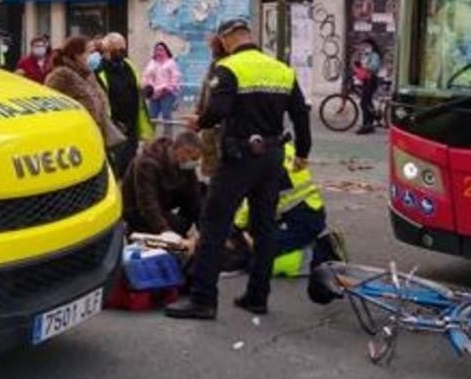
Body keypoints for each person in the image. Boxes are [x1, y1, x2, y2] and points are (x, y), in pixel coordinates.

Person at [166, 18, 312, 320]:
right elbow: (300, 114)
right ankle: (257, 297)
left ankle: (203, 300)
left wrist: (200, 121)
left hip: (239, 157)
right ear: (249, 35)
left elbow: (218, 110)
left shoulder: (230, 67)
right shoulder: (281, 69)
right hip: (273, 157)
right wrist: (302, 152)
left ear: (227, 38)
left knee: (214, 225)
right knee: (265, 228)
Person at [225, 141, 344, 279]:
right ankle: (310, 242)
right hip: (307, 212)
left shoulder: (261, 159)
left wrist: (235, 227)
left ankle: (318, 256)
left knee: (255, 264)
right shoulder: (282, 146)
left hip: (302, 220)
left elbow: (251, 201)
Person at [44, 36, 125, 157]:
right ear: (77, 55)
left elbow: (99, 98)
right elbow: (48, 105)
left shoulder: (88, 74)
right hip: (74, 140)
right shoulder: (61, 75)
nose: (93, 56)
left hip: (96, 135)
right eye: (89, 52)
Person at [121, 132, 205, 237]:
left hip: (162, 203)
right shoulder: (147, 164)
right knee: (177, 226)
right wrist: (165, 231)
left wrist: (205, 230)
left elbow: (194, 197)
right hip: (137, 209)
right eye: (194, 158)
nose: (194, 163)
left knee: (202, 193)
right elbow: (147, 203)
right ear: (183, 151)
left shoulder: (184, 164)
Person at [95, 32, 155, 179]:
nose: (121, 53)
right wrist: (111, 122)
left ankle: (127, 193)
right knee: (116, 166)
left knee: (130, 164)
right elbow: (100, 100)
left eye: (123, 49)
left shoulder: (128, 65)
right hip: (114, 127)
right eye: (117, 50)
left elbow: (137, 85)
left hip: (132, 124)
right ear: (107, 51)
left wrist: (145, 91)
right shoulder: (99, 72)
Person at [195, 34, 230, 181]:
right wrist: (198, 115)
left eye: (213, 47)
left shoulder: (227, 68)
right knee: (212, 163)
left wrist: (200, 117)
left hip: (222, 125)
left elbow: (208, 95)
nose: (212, 51)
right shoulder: (214, 66)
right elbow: (205, 92)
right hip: (210, 124)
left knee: (222, 165)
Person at [142, 41, 183, 123]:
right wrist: (148, 88)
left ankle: (167, 134)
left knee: (166, 116)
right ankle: (150, 135)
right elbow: (146, 76)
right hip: (154, 93)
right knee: (152, 116)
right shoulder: (152, 63)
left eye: (161, 50)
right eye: (157, 50)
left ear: (166, 51)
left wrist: (169, 88)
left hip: (167, 93)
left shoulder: (171, 63)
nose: (158, 52)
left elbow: (176, 78)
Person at [354, 38, 384, 135]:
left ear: (371, 46)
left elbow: (374, 67)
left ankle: (366, 125)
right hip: (367, 80)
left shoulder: (375, 55)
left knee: (364, 102)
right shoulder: (368, 55)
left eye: (366, 46)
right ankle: (369, 124)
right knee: (367, 101)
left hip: (371, 80)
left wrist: (364, 66)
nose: (364, 48)